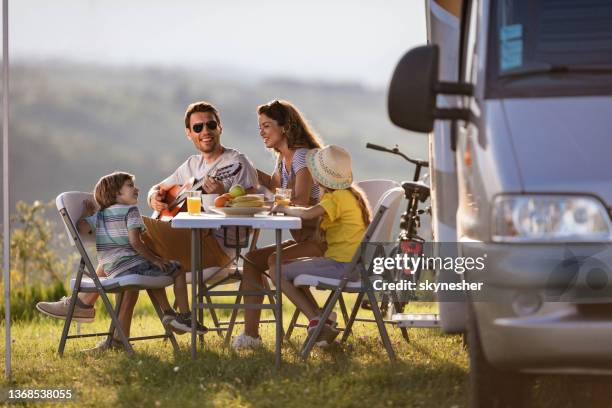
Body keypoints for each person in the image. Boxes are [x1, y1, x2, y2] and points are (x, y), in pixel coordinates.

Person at [37, 101, 258, 340]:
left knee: (130, 224)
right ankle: (119, 338)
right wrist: (154, 197)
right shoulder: (193, 165)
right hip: (182, 240)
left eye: (210, 124)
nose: (205, 131)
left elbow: (247, 206)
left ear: (219, 127)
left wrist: (220, 191)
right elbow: (159, 187)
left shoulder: (235, 163)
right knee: (131, 252)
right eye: (198, 127)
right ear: (189, 133)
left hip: (215, 248)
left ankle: (83, 302)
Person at [37, 172, 206, 351]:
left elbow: (80, 227)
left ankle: (164, 317)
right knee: (176, 268)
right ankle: (184, 316)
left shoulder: (100, 215)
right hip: (132, 266)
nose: (137, 189)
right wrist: (155, 259)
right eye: (131, 186)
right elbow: (135, 242)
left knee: (156, 269)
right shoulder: (131, 211)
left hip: (112, 269)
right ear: (116, 193)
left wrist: (88, 214)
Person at [231, 100, 326, 349]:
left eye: (266, 126)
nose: (261, 131)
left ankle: (319, 321)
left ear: (284, 127)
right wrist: (248, 169)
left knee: (274, 261)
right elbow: (275, 188)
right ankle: (251, 336)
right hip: (303, 240)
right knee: (252, 260)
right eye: (260, 126)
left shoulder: (302, 157)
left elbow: (301, 201)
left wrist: (275, 200)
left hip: (320, 241)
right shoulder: (283, 159)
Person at [270, 145, 371, 347]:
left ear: (320, 177)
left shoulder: (336, 198)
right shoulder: (349, 194)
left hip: (342, 267)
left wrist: (283, 208)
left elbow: (308, 214)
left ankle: (316, 320)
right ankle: (320, 319)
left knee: (276, 272)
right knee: (288, 266)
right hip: (353, 266)